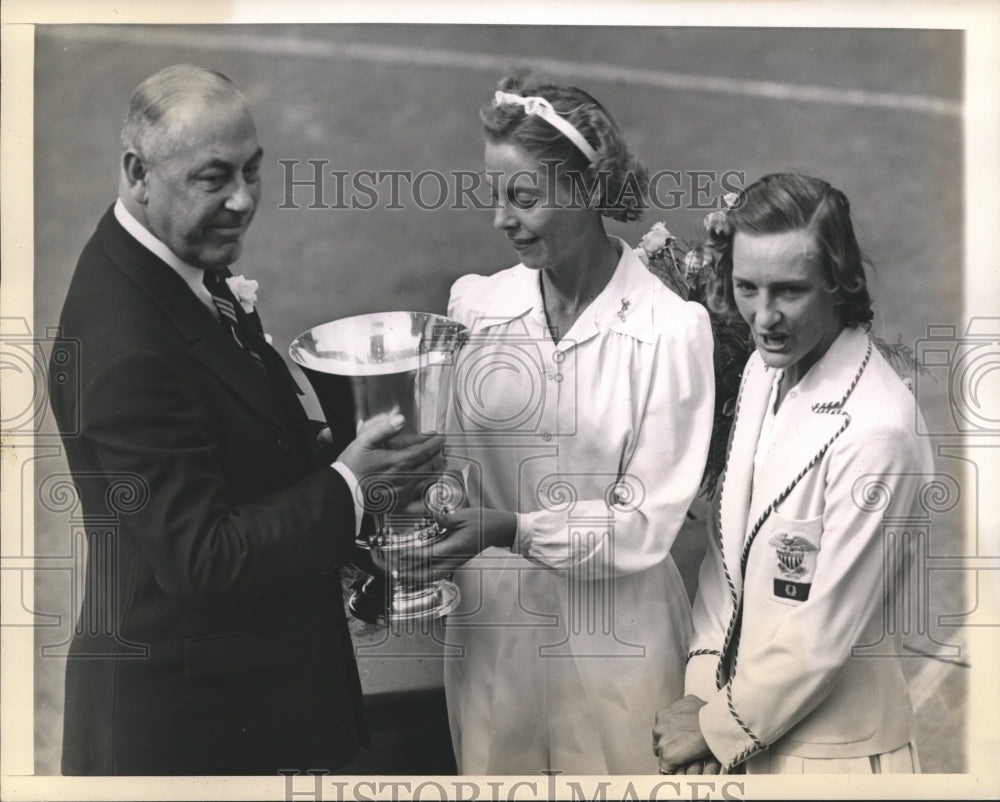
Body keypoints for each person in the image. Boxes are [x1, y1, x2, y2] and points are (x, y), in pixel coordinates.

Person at [48, 64, 443, 775]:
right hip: (192, 737)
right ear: (138, 172)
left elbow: (223, 448)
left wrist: (331, 449)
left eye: (253, 171)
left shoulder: (173, 262)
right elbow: (203, 557)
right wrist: (348, 487)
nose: (242, 200)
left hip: (248, 706)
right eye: (214, 177)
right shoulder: (124, 344)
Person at [400, 73, 715, 774]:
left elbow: (642, 524)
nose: (501, 220)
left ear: (586, 190)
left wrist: (511, 529)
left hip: (619, 643)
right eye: (495, 197)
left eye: (524, 198)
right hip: (493, 633)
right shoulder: (475, 308)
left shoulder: (670, 329)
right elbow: (450, 470)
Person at [652, 173, 934, 774]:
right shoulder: (762, 372)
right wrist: (703, 687)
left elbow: (822, 635)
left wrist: (713, 728)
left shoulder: (877, 430)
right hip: (741, 733)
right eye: (747, 287)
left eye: (790, 291)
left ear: (840, 283)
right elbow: (724, 560)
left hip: (836, 759)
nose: (764, 316)